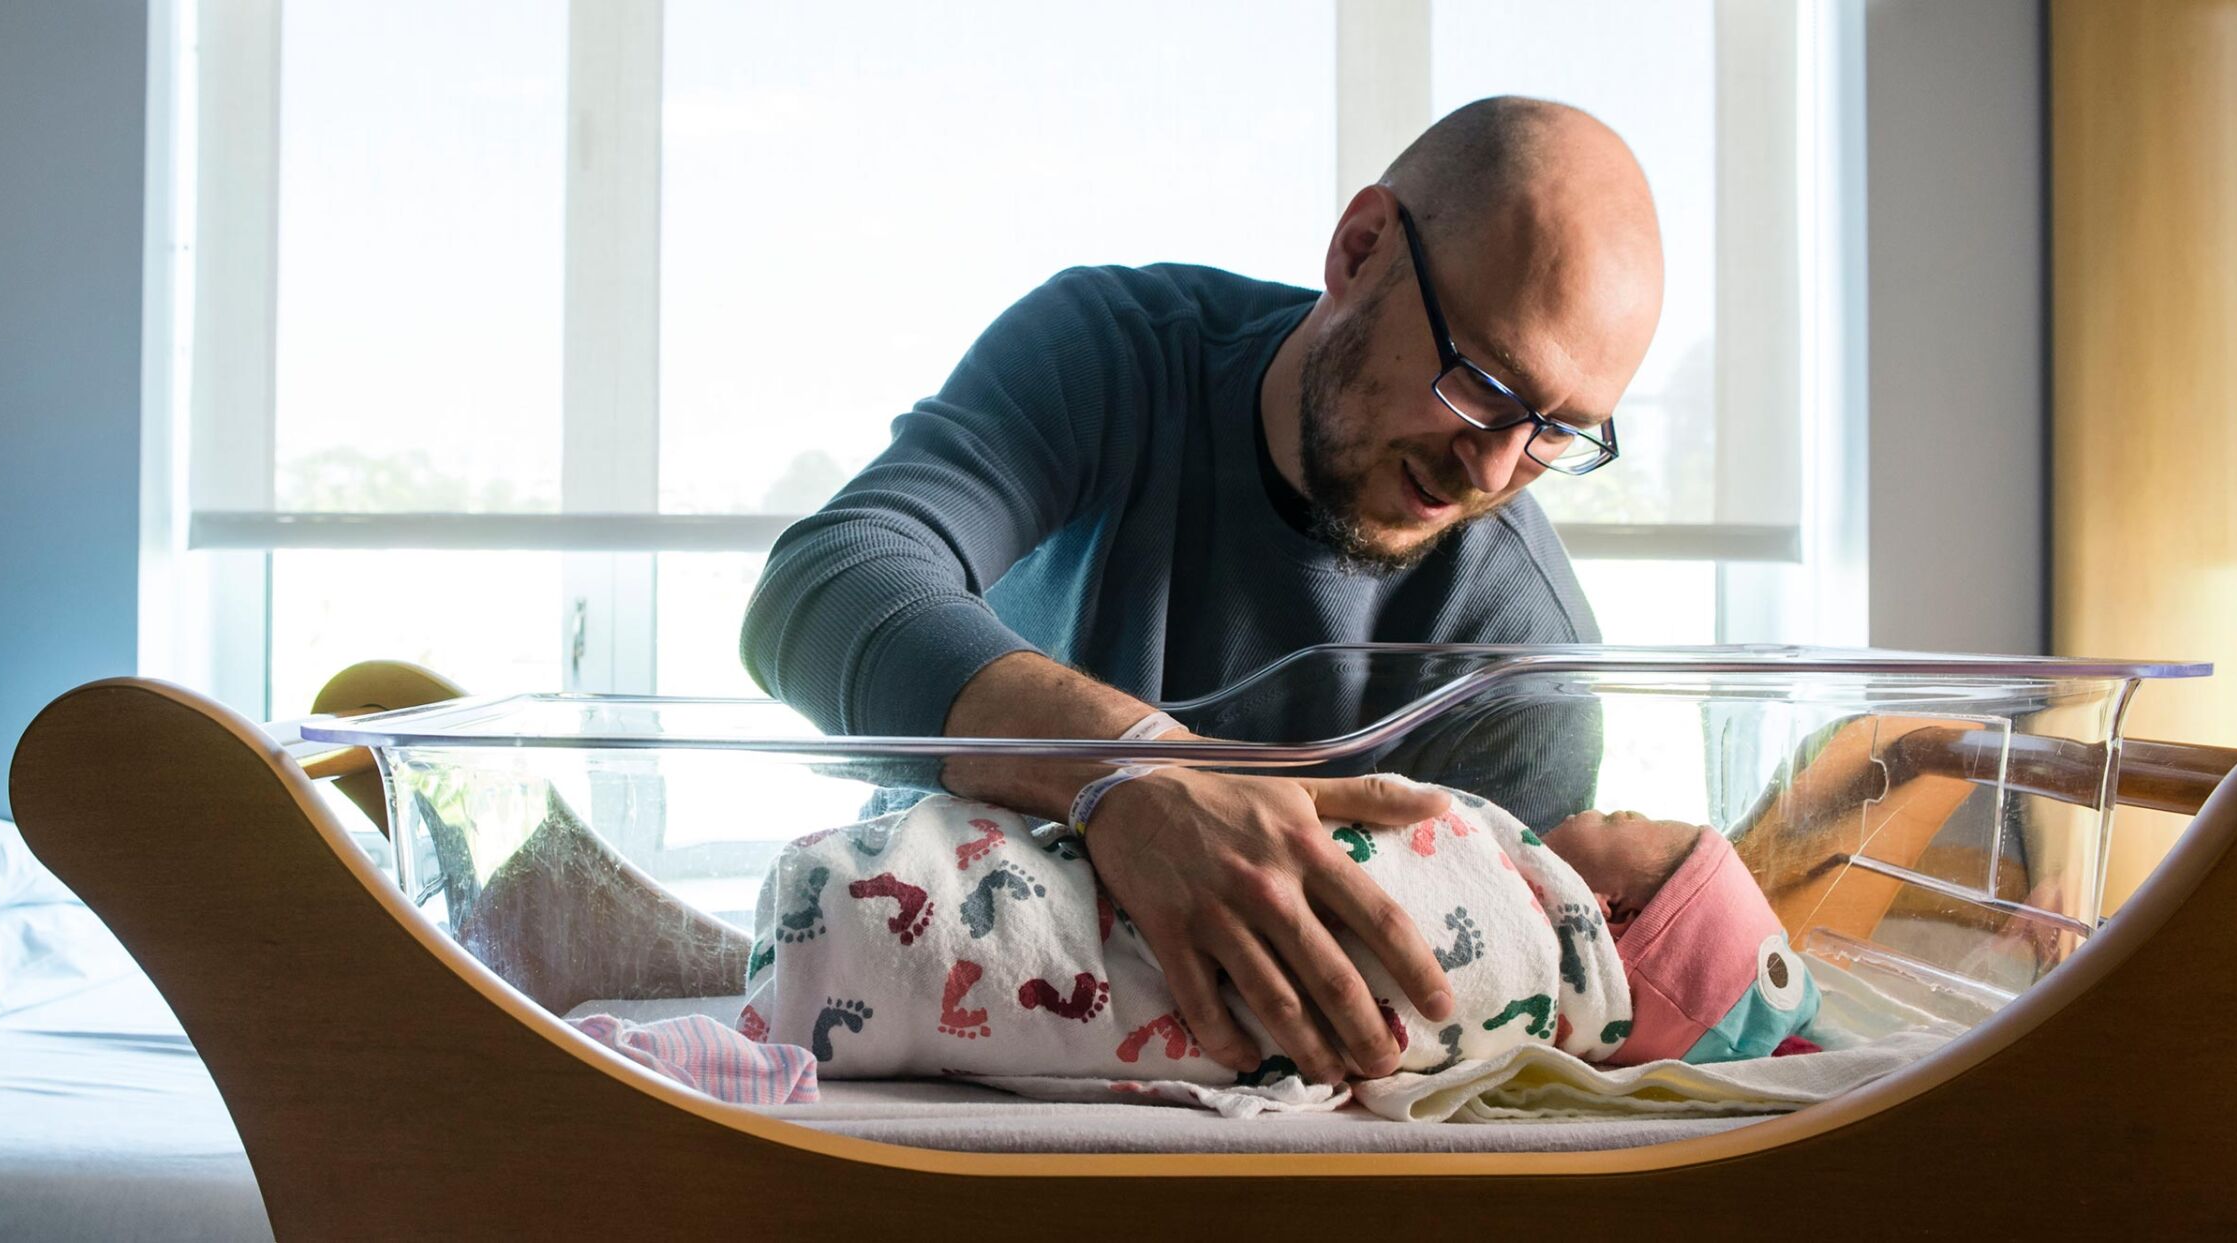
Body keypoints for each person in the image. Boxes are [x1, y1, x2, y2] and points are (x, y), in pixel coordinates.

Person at [740, 95, 1667, 1085]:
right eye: (1481, 381)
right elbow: (821, 588)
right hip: (897, 1025)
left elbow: (1463, 1052)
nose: (1491, 470)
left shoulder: (1519, 665)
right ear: (1360, 251)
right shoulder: (1114, 356)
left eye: (1558, 432)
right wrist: (1129, 772)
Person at [736, 785, 1818, 1103]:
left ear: (1615, 913)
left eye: (1632, 822)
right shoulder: (1109, 350)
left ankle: (852, 935)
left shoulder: (1525, 913)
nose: (1602, 807)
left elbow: (1417, 906)